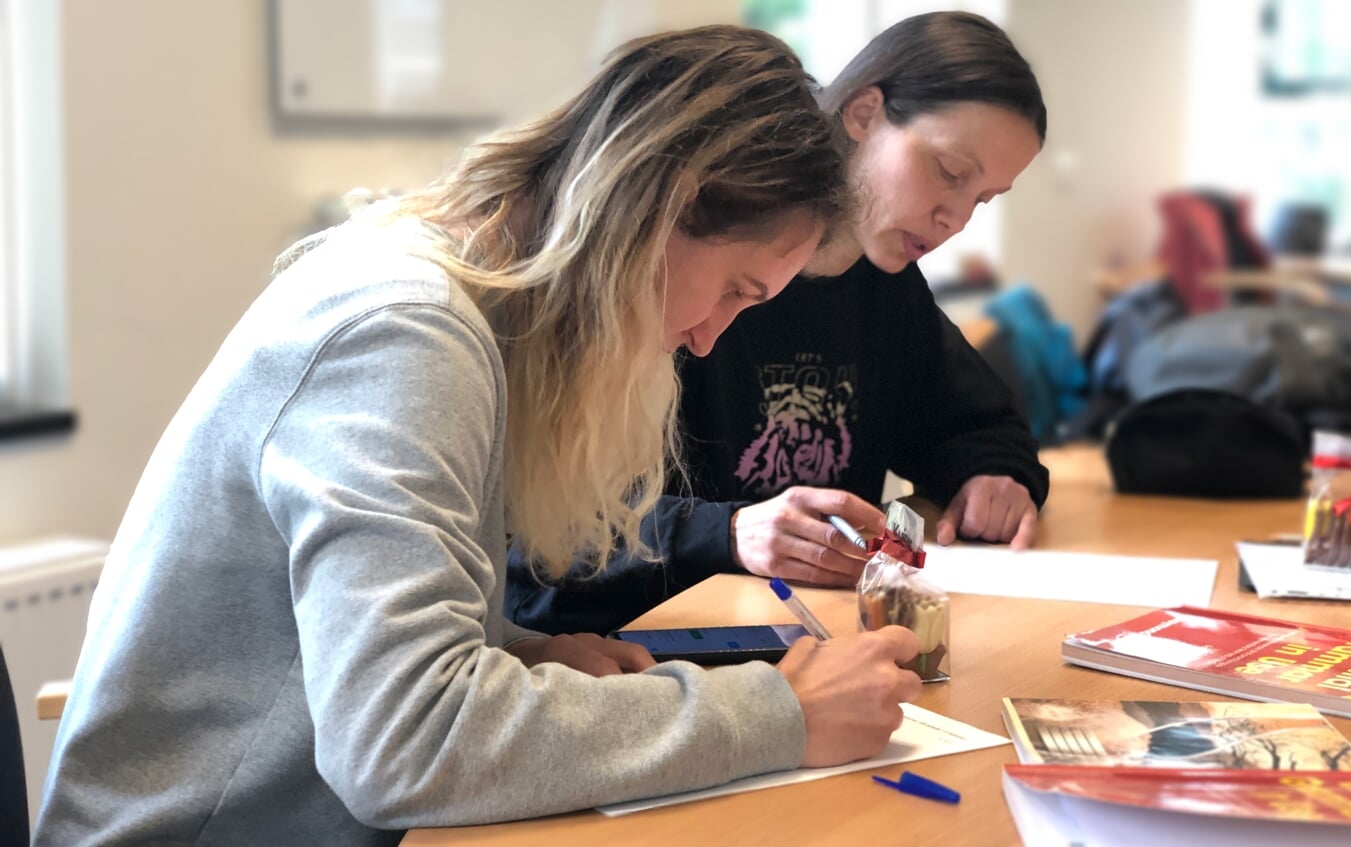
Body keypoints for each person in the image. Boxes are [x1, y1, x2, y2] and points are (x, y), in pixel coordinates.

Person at [35, 27, 923, 846]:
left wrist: (511, 652)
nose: (706, 338)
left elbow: (360, 654)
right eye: (735, 289)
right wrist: (778, 711)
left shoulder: (469, 305)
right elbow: (403, 741)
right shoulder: (402, 332)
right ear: (660, 206)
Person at [508, 12, 1050, 636]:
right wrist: (730, 531)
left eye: (982, 199)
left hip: (794, 630)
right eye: (949, 172)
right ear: (864, 113)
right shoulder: (668, 272)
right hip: (623, 639)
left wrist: (996, 478)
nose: (956, 219)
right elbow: (541, 530)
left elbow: (975, 425)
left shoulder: (885, 286)